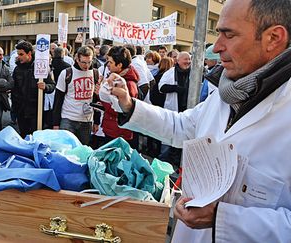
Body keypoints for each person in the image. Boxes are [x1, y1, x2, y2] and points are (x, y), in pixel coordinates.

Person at [108, 0, 291, 242]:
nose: (216, 47)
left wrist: (224, 218)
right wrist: (130, 105)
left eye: (229, 34)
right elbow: (183, 126)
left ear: (273, 38)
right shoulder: (229, 91)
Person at [52, 46, 100, 145]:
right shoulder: (66, 73)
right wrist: (55, 123)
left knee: (82, 151)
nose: (86, 65)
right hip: (68, 118)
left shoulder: (95, 73)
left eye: (89, 62)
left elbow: (96, 99)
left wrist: (96, 121)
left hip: (87, 120)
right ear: (77, 59)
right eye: (83, 62)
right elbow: (58, 99)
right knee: (66, 150)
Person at [11, 41, 55, 138]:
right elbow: (14, 88)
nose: (19, 57)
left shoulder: (41, 68)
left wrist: (45, 87)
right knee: (23, 136)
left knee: (36, 136)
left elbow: (52, 85)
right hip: (21, 110)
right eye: (18, 54)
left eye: (21, 54)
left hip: (35, 110)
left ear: (29, 54)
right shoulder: (17, 69)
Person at [100, 46, 139, 146]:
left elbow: (123, 112)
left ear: (120, 65)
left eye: (110, 62)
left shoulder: (129, 84)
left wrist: (102, 97)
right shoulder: (115, 78)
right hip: (112, 129)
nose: (107, 65)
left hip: (120, 133)